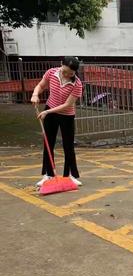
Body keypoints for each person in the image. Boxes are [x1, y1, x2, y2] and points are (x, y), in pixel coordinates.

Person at [31, 56, 83, 187]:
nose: (66, 75)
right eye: (64, 71)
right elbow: (41, 85)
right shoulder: (51, 73)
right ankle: (48, 175)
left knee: (68, 145)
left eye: (70, 73)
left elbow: (67, 105)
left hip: (66, 114)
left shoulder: (77, 84)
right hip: (50, 110)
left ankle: (70, 175)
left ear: (75, 72)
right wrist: (35, 94)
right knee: (48, 143)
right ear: (61, 64)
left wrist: (48, 112)